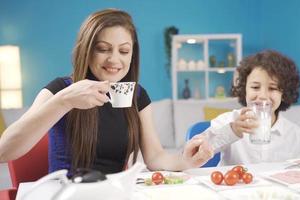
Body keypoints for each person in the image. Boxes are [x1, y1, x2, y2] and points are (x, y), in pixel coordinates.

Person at [0, 8, 213, 174]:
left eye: (124, 51)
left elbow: (155, 156)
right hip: (67, 192)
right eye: (103, 49)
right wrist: (63, 102)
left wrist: (185, 160)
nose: (114, 59)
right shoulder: (61, 89)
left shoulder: (136, 95)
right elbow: (4, 151)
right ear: (87, 49)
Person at [201, 50, 300, 166]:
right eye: (255, 87)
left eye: (273, 88)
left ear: (283, 94)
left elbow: (295, 173)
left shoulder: (293, 133)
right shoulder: (228, 120)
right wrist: (232, 130)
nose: (263, 96)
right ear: (244, 89)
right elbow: (197, 151)